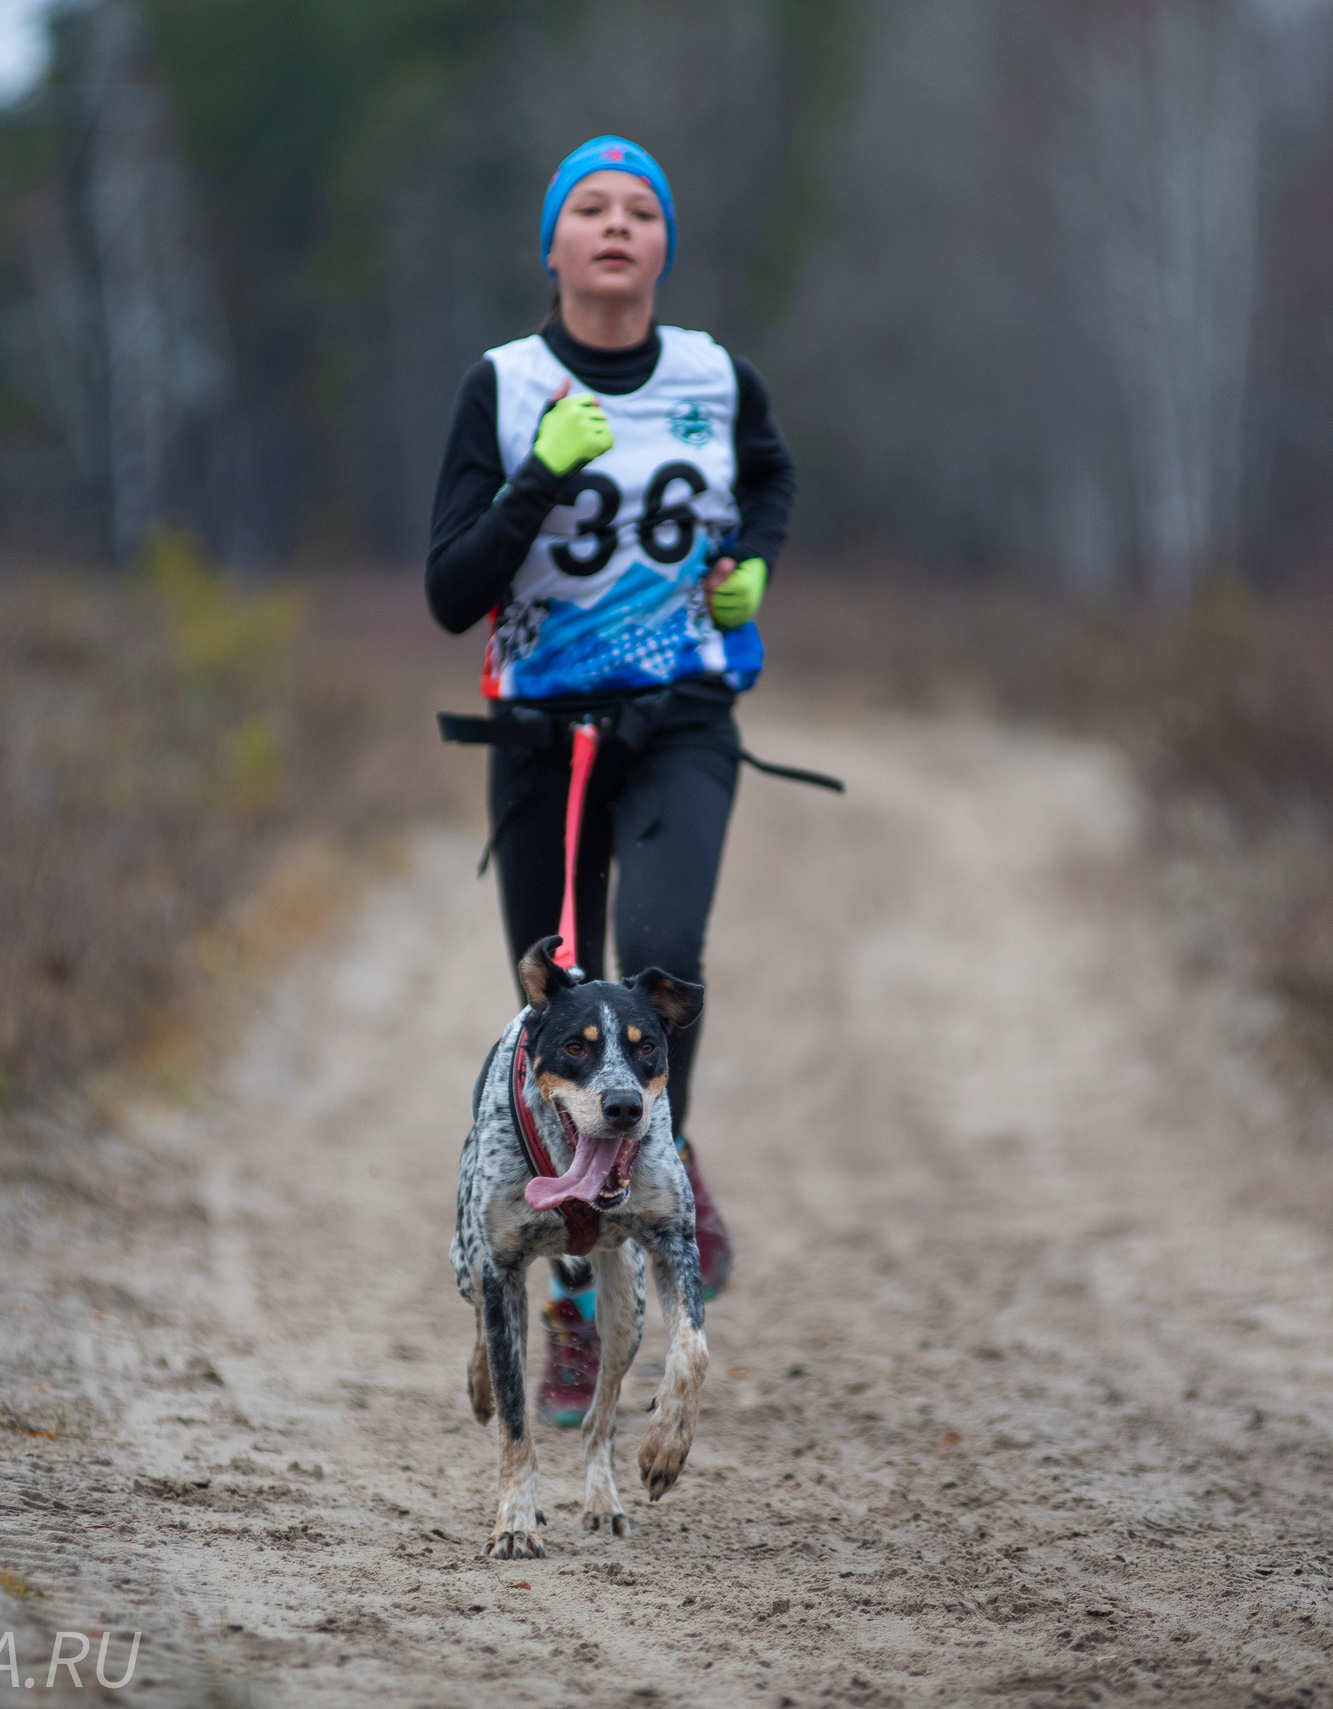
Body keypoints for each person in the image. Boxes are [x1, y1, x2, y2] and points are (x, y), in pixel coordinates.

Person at [426, 136, 796, 1428]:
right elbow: (450, 590)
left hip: (683, 720)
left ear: (665, 243)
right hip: (543, 738)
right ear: (554, 245)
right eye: (590, 207)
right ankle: (577, 1295)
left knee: (661, 959)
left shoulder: (715, 376)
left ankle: (656, 1182)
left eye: (643, 208)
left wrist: (754, 566)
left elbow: (772, 476)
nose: (619, 224)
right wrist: (538, 476)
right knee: (560, 1002)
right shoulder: (504, 384)